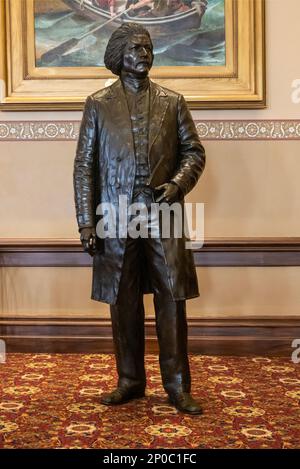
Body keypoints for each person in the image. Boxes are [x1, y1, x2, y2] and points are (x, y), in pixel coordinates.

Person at [73, 22, 206, 414]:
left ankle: (178, 386)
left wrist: (178, 185)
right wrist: (85, 221)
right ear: (118, 55)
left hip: (163, 214)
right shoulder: (97, 104)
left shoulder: (173, 101)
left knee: (172, 298)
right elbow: (84, 167)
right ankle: (130, 380)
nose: (144, 54)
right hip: (114, 217)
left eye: (148, 47)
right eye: (135, 48)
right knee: (124, 299)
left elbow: (194, 153)